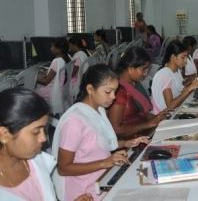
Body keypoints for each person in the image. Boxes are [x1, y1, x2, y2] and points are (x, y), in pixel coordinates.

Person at [52, 65, 148, 201]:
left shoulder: (98, 110)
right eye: (108, 92)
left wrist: (127, 143)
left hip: (101, 178)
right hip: (84, 193)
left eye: (115, 91)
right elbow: (63, 168)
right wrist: (104, 163)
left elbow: (98, 144)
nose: (113, 97)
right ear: (90, 89)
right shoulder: (74, 121)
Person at [0, 88, 92, 201]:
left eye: (44, 129)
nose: (43, 138)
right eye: (36, 132)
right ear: (4, 134)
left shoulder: (35, 160)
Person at [108, 47, 168, 138]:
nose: (146, 73)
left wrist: (156, 118)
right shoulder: (118, 91)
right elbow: (116, 129)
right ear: (131, 68)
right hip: (128, 142)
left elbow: (139, 113)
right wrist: (147, 124)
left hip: (140, 134)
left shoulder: (134, 84)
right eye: (143, 69)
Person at [151, 40, 198, 112]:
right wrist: (189, 88)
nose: (186, 61)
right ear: (173, 57)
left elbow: (180, 90)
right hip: (165, 117)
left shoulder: (176, 71)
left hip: (176, 110)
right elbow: (170, 106)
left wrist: (193, 84)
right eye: (183, 58)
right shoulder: (164, 75)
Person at [35, 37, 71, 108]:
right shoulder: (67, 58)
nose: (51, 48)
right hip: (61, 89)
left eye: (52, 46)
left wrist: (34, 78)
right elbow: (54, 74)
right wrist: (44, 73)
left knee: (32, 91)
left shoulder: (57, 61)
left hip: (52, 91)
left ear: (59, 49)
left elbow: (46, 81)